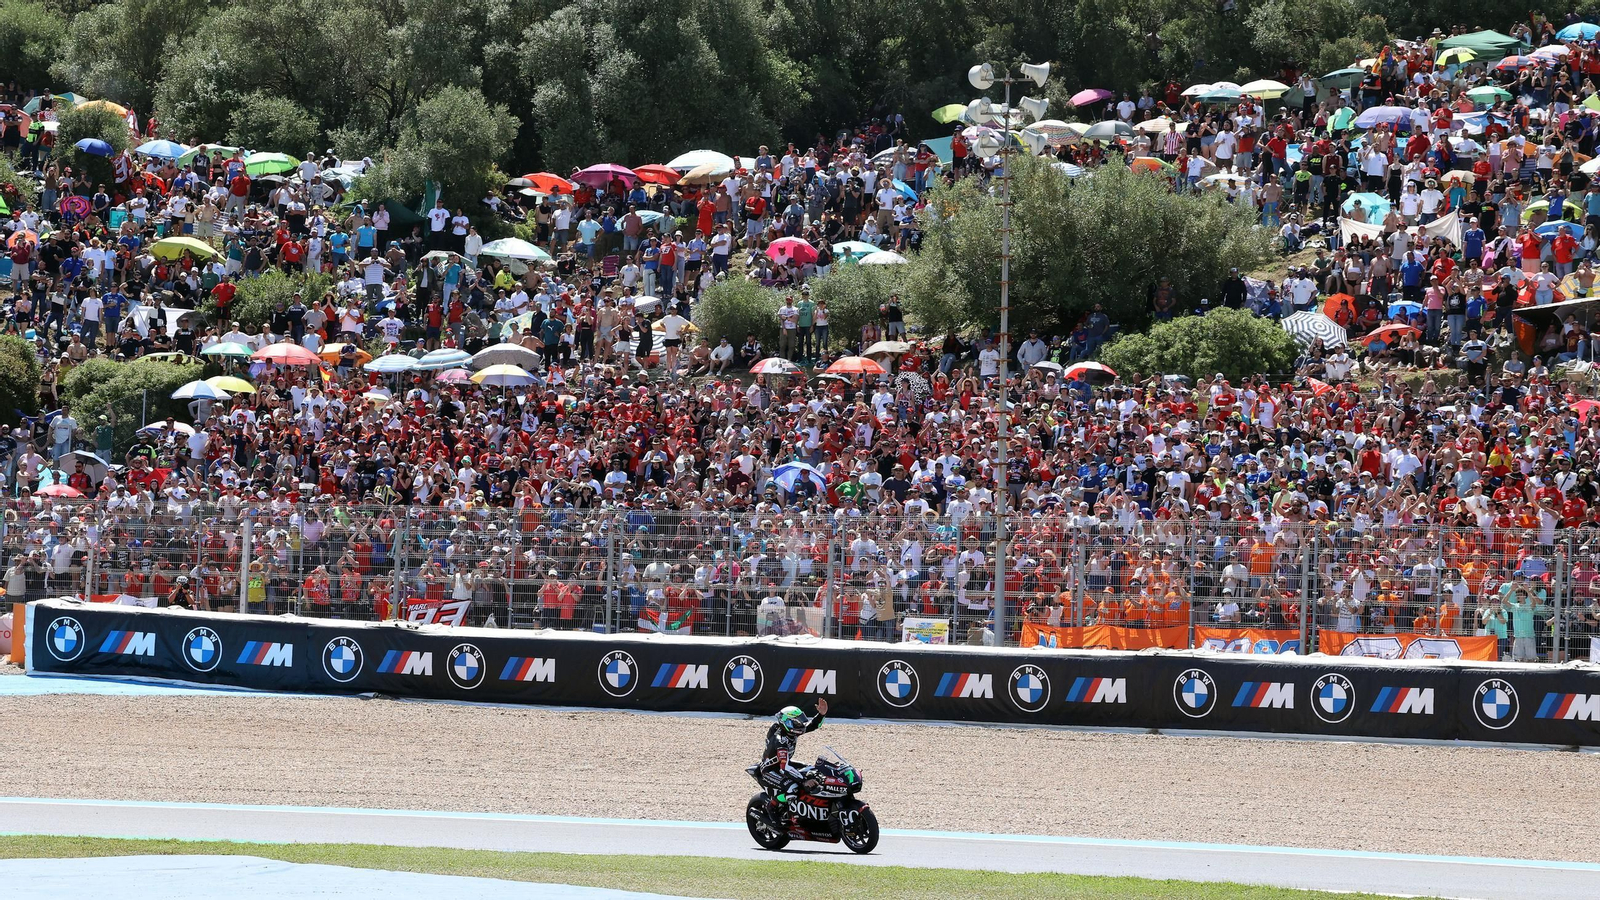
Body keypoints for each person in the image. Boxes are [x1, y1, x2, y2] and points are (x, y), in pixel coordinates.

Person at [757, 699, 829, 819]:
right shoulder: (780, 741)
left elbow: (812, 726)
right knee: (792, 788)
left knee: (813, 770)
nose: (800, 725)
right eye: (797, 722)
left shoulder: (790, 731)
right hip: (770, 770)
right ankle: (773, 805)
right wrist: (804, 781)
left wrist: (822, 714)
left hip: (783, 763)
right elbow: (784, 768)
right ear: (787, 722)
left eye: (800, 721)